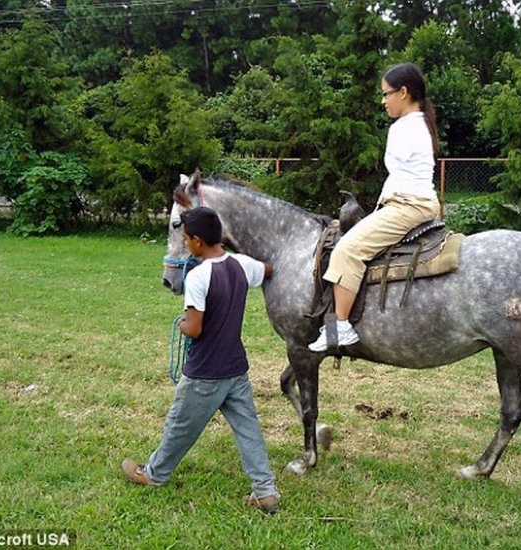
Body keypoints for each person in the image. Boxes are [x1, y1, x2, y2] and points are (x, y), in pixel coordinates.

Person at [121, 206, 280, 515]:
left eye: (186, 239)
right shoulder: (241, 264)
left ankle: (153, 474)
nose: (186, 244)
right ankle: (265, 491)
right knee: (248, 429)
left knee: (179, 425)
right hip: (236, 368)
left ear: (196, 241)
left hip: (205, 373)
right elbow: (269, 270)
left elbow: (194, 329)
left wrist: (181, 323)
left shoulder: (198, 276)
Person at [309, 62, 441, 352]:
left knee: (346, 250)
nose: (383, 102)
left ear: (404, 92)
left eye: (386, 94)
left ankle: (340, 328)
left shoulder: (405, 127)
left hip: (407, 205)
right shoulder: (418, 124)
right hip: (410, 202)